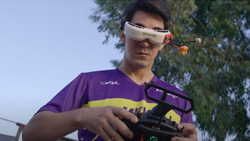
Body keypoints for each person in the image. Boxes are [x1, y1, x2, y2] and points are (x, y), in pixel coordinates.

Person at [22, 0, 198, 141]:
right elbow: (31, 134)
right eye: (138, 30)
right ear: (123, 35)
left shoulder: (178, 100)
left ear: (163, 43)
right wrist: (82, 116)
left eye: (156, 35)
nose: (145, 42)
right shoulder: (89, 83)